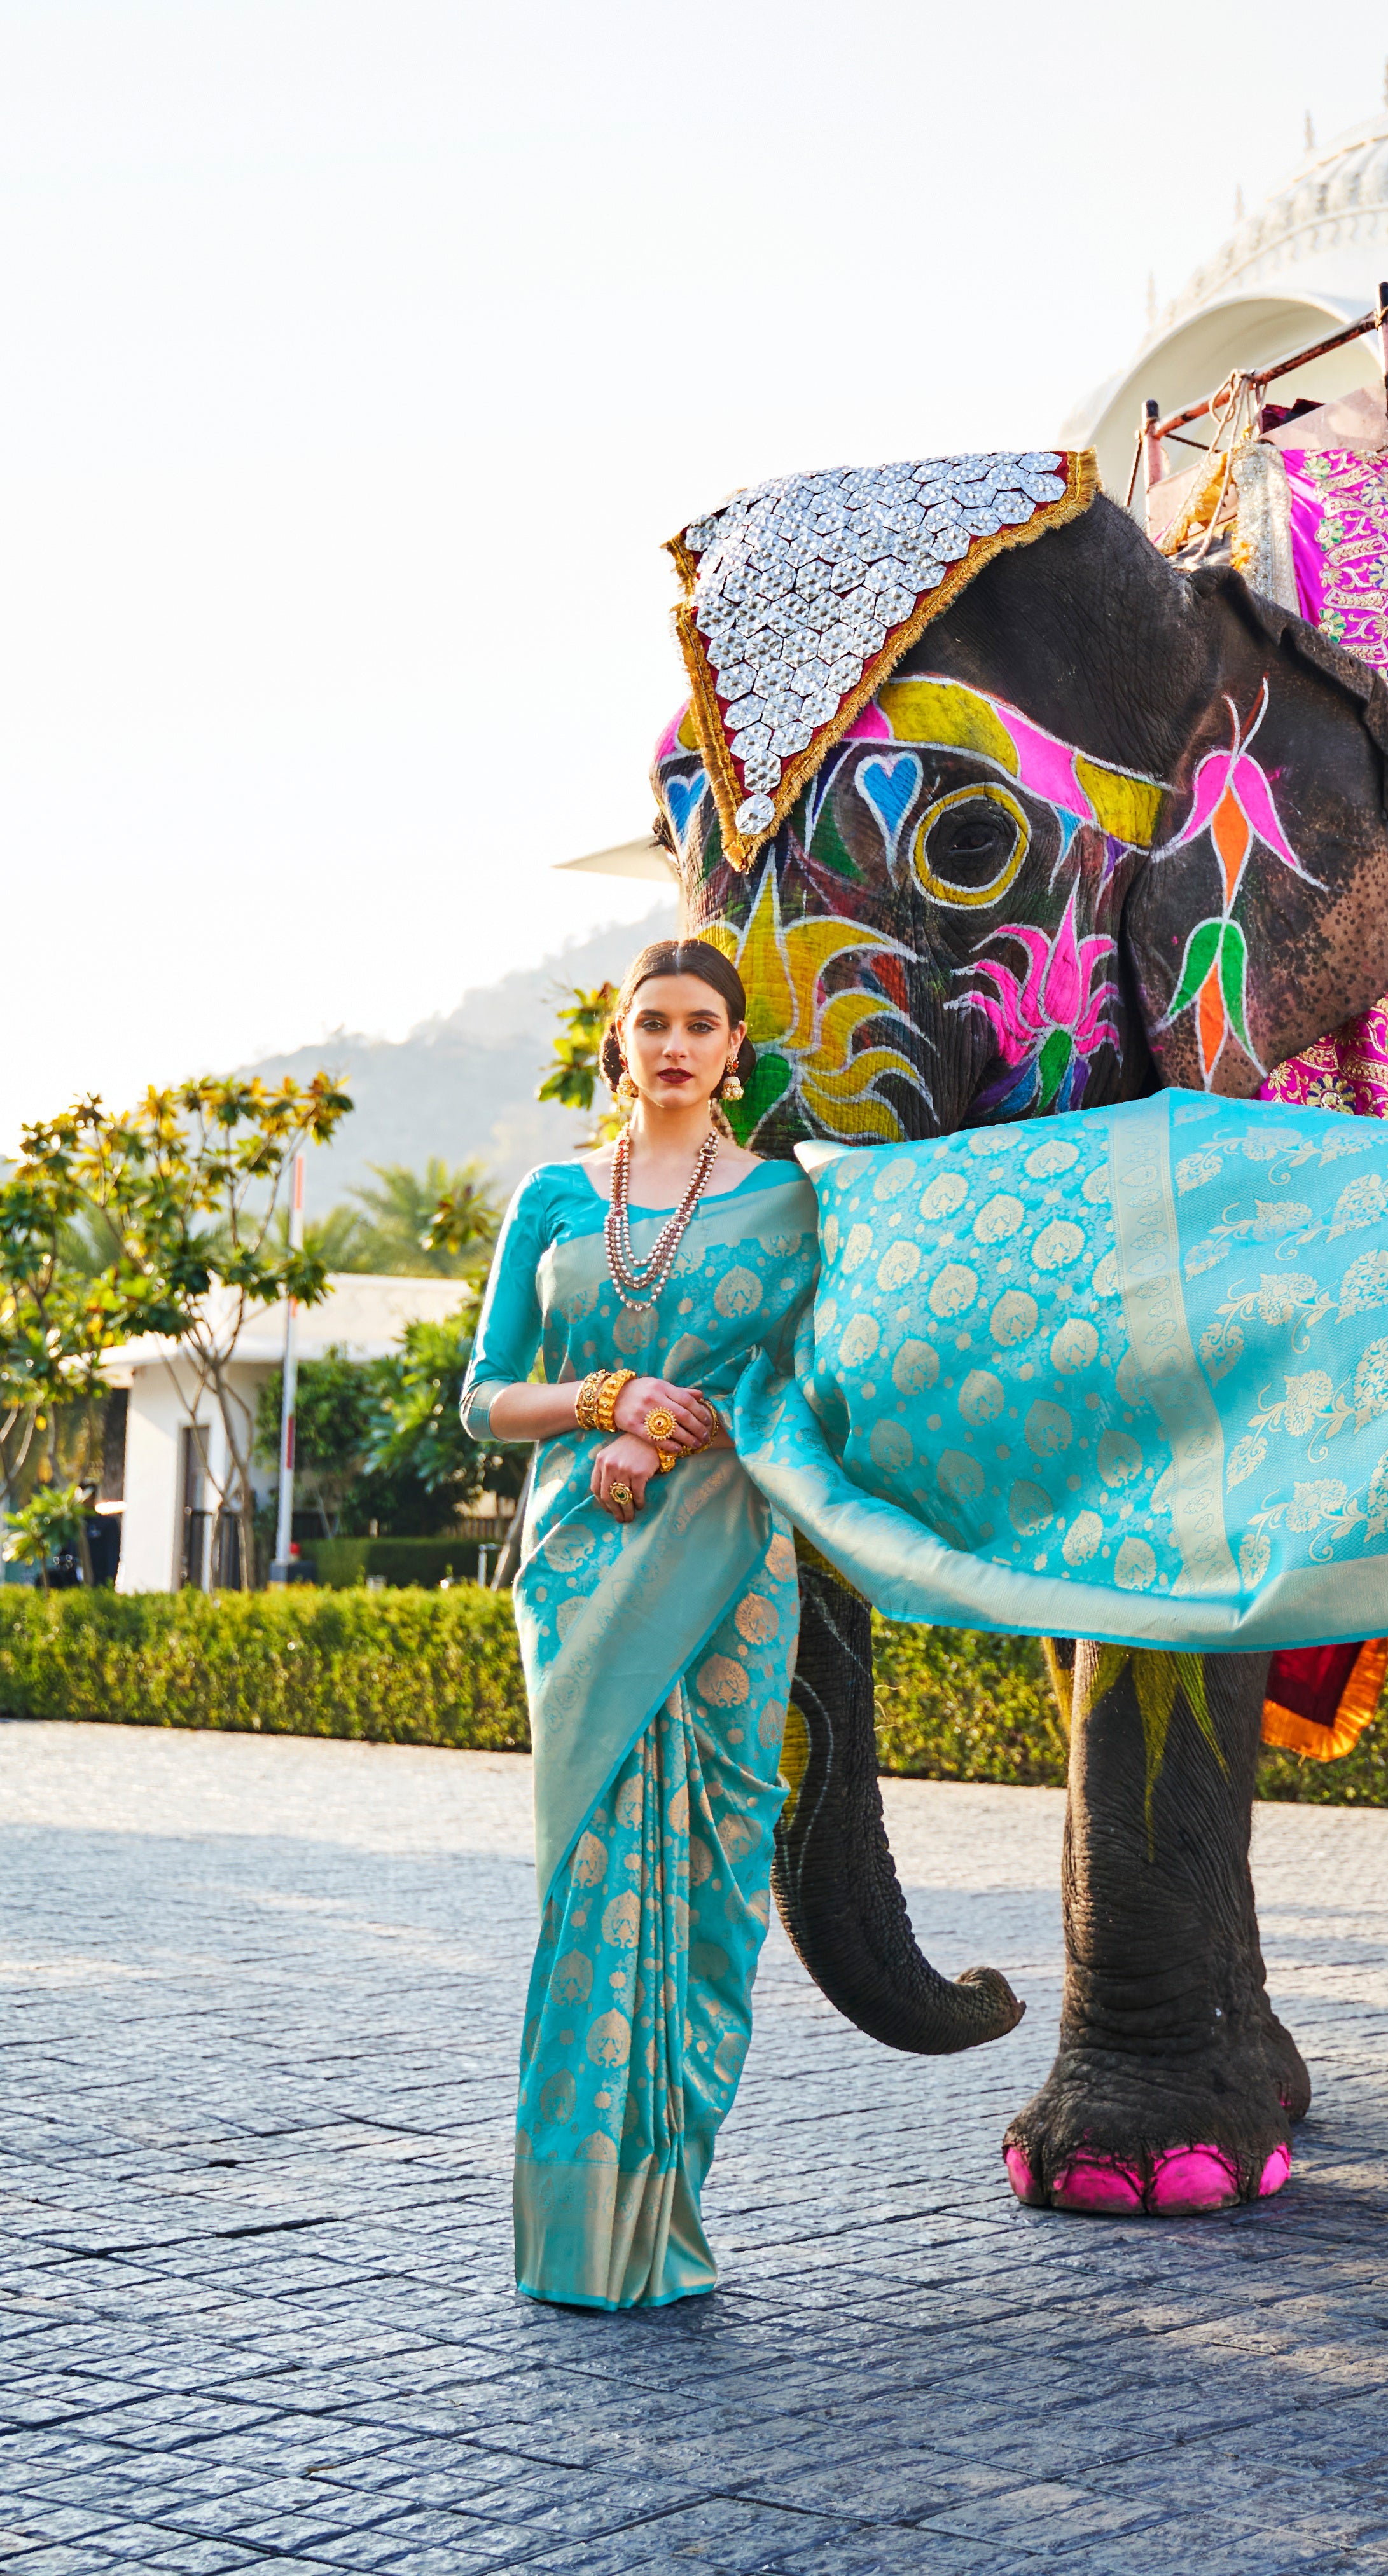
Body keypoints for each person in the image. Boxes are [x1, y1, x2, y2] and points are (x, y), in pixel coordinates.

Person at [460, 939, 817, 2308]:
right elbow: (485, 1397)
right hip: (581, 1568)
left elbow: (801, 1386)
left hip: (727, 1556)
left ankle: (668, 2213)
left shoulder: (788, 1203)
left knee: (712, 1883)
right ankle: (573, 2229)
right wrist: (605, 1400)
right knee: (588, 1882)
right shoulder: (553, 1195)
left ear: (735, 1050)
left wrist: (676, 1437)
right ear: (620, 1045)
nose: (674, 1044)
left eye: (701, 1024)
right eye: (651, 1022)